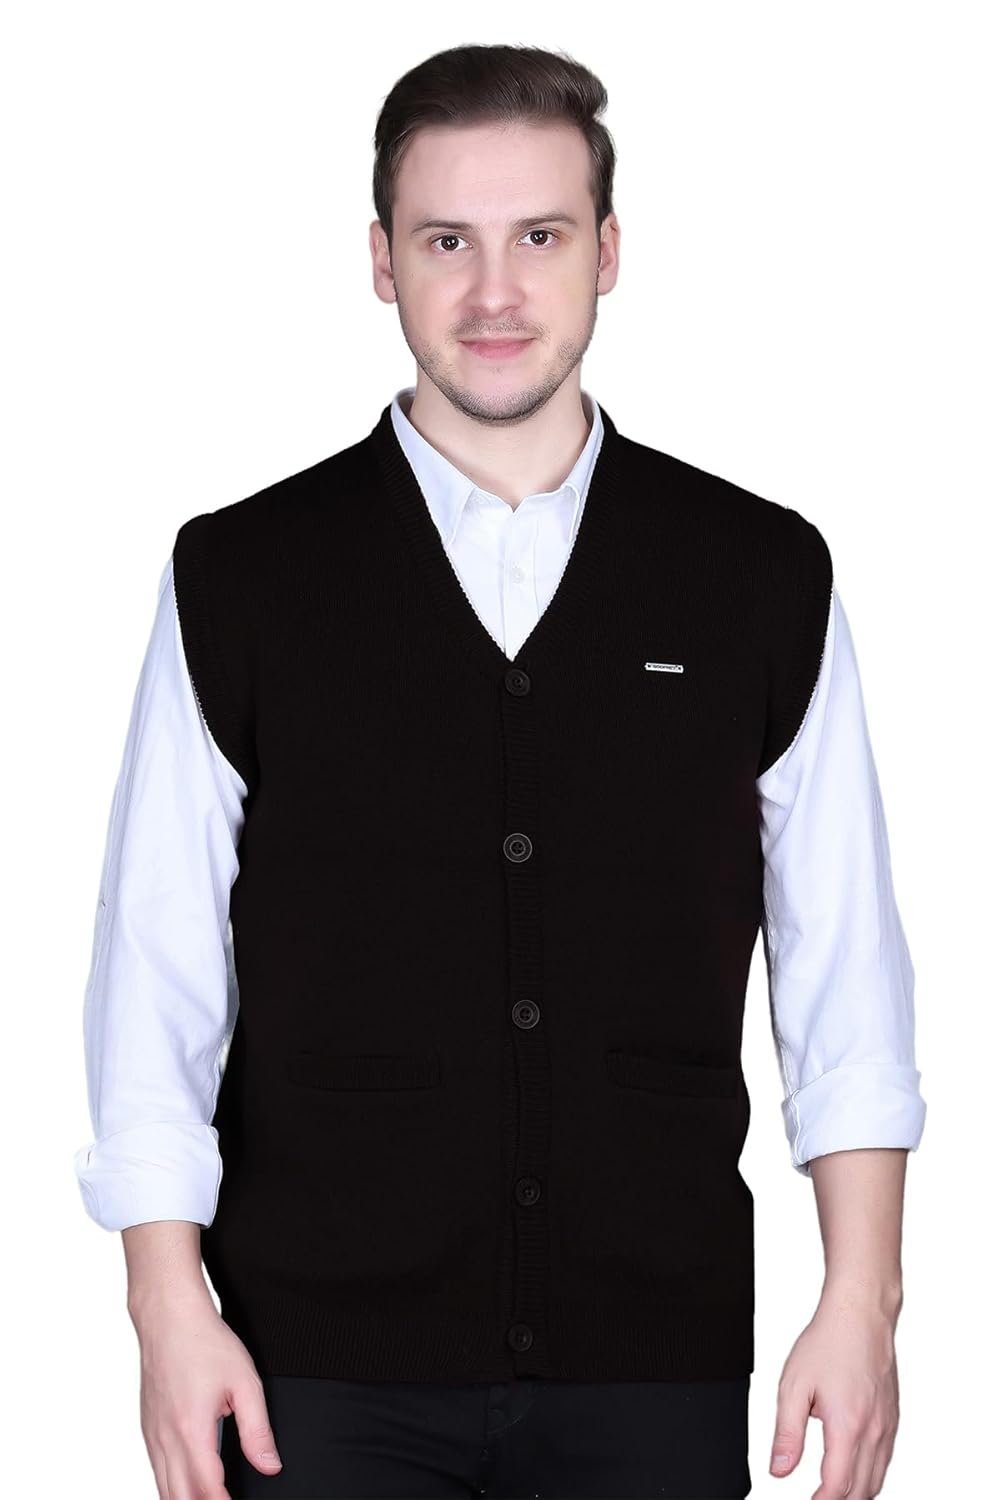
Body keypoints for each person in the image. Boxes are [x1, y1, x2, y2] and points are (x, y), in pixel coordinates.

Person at [73, 42, 927, 1500]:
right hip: (312, 1369)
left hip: (650, 1353)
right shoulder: (243, 574)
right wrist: (167, 1305)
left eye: (538, 237)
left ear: (607, 253)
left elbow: (843, 967)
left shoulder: (757, 573)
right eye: (444, 241)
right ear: (380, 262)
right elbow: (155, 970)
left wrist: (863, 1299)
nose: (492, 293)